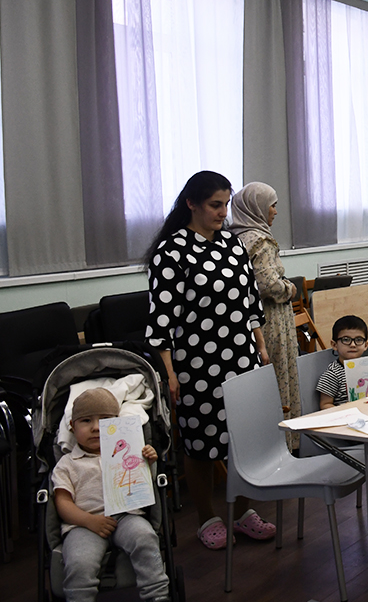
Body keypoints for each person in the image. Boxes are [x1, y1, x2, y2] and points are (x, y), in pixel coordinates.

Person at [144, 170, 276, 550]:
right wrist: (169, 372)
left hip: (242, 357)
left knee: (245, 438)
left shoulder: (233, 245)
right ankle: (206, 519)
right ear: (192, 204)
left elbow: (250, 303)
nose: (222, 213)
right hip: (196, 364)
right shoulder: (171, 251)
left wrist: (261, 347)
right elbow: (161, 318)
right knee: (201, 444)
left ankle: (244, 514)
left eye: (226, 205)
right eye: (215, 205)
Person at [53, 388, 170, 602]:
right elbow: (62, 502)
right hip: (83, 524)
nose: (96, 427)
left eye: (105, 421)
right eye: (86, 421)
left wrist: (149, 459)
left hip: (126, 515)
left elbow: (144, 480)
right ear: (72, 426)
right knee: (78, 561)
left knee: (145, 538)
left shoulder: (132, 452)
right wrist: (89, 521)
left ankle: (158, 595)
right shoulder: (67, 464)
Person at [230, 182, 300, 451]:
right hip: (271, 320)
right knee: (279, 378)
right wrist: (289, 288)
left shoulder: (233, 238)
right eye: (272, 205)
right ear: (257, 207)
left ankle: (260, 446)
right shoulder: (261, 240)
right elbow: (268, 285)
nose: (275, 211)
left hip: (247, 320)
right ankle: (284, 445)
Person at [316, 315, 368, 409]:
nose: (353, 345)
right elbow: (325, 404)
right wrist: (343, 409)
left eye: (359, 340)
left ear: (366, 345)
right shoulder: (332, 374)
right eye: (346, 340)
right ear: (334, 345)